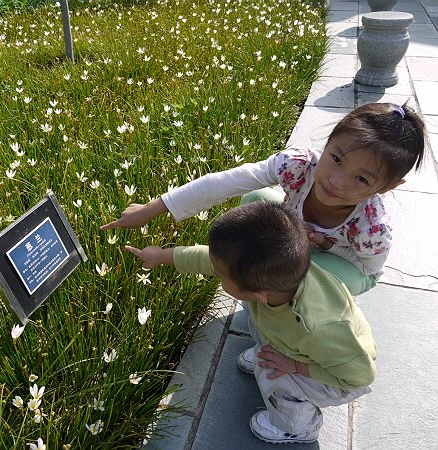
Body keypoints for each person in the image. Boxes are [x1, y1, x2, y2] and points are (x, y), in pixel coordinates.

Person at [102, 102, 426, 297]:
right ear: (327, 144)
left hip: (341, 266)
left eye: (362, 178)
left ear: (387, 187)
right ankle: (266, 274)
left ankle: (285, 314)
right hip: (297, 240)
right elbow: (227, 182)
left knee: (312, 277)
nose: (336, 182)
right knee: (256, 197)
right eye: (336, 159)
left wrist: (327, 247)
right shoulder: (300, 166)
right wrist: (152, 208)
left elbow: (366, 272)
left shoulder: (371, 230)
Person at [125, 202, 376, 444]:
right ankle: (277, 354)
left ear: (257, 293)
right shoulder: (280, 276)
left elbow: (359, 376)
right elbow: (210, 260)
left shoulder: (317, 327)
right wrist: (162, 256)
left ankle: (296, 427)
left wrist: (295, 366)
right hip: (301, 342)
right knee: (259, 327)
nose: (216, 274)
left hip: (339, 374)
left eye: (222, 277)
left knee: (275, 378)